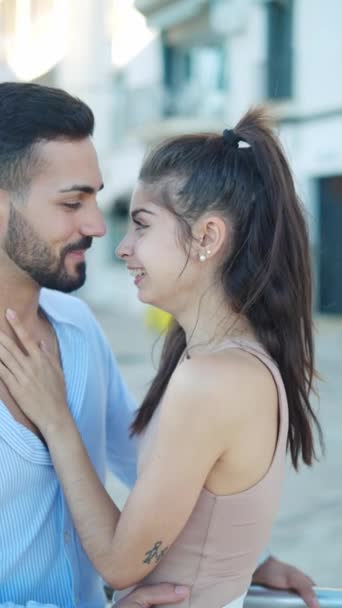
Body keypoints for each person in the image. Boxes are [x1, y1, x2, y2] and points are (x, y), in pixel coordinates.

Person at [0, 84, 322, 608]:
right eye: (72, 202)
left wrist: (239, 553)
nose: (99, 228)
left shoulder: (78, 327)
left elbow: (145, 457)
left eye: (99, 199)